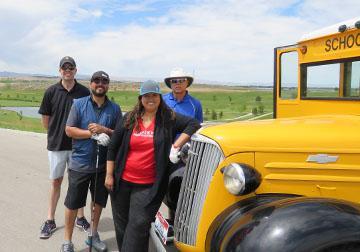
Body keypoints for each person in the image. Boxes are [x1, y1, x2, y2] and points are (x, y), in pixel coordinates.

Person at [105, 80, 200, 252]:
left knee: (137, 226)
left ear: (159, 98)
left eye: (154, 95)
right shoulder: (129, 119)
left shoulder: (168, 119)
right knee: (122, 226)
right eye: (147, 95)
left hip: (149, 186)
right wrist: (109, 174)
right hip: (122, 182)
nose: (151, 99)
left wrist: (176, 145)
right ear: (140, 98)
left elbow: (193, 124)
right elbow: (113, 146)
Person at [60, 71, 121, 252]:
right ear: (91, 84)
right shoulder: (78, 104)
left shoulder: (115, 108)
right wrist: (92, 134)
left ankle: (93, 235)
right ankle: (67, 242)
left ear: (108, 85)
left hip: (103, 166)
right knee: (72, 203)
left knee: (98, 202)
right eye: (96, 81)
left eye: (104, 81)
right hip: (80, 164)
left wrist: (105, 130)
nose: (100, 83)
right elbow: (69, 130)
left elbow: (120, 134)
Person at [39, 56, 90, 239]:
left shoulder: (84, 92)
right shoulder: (51, 91)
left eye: (71, 67)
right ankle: (50, 219)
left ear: (76, 70)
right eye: (64, 67)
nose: (67, 70)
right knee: (56, 182)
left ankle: (80, 217)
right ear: (60, 70)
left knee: (79, 182)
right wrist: (56, 133)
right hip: (57, 145)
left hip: (79, 146)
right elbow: (46, 121)